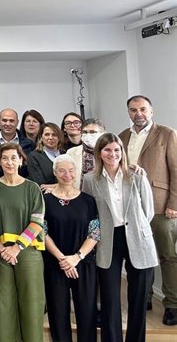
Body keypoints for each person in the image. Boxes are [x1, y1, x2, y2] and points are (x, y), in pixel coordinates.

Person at [82, 133, 158, 341]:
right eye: (107, 150)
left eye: (117, 150)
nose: (112, 154)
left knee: (138, 298)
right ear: (99, 153)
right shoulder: (89, 180)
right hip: (108, 240)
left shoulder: (136, 175)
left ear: (122, 152)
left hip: (137, 237)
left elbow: (148, 210)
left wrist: (137, 227)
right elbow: (90, 213)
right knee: (110, 298)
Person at [119, 95, 177, 325]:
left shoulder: (166, 134)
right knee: (140, 255)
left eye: (143, 109)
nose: (138, 113)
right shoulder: (122, 136)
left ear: (151, 111)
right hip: (131, 207)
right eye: (133, 110)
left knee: (167, 256)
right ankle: (145, 298)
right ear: (129, 112)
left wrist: (174, 203)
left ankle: (172, 304)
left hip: (161, 205)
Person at [0, 143, 46, 342]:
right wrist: (1, 247)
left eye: (14, 158)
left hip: (26, 251)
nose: (9, 162)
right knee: (1, 304)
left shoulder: (32, 188)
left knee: (31, 303)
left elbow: (37, 221)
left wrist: (17, 247)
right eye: (5, 158)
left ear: (21, 160)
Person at [43, 154, 99, 342]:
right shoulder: (45, 200)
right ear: (54, 173)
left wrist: (76, 257)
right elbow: (42, 233)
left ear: (76, 172)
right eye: (62, 170)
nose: (67, 174)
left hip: (83, 263)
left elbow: (95, 233)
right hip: (55, 263)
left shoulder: (88, 200)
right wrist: (62, 259)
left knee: (86, 311)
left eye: (71, 170)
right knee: (58, 312)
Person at [67, 118, 105, 189]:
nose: (88, 135)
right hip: (78, 193)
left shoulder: (109, 152)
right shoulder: (71, 152)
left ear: (103, 133)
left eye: (92, 132)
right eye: (85, 132)